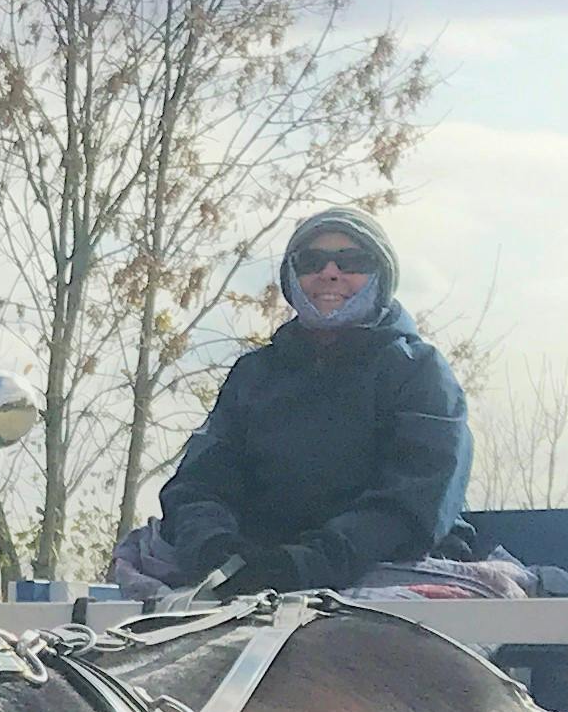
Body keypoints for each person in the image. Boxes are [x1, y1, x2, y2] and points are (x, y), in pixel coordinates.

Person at [114, 205, 475, 598]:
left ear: (381, 276)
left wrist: (307, 564)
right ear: (292, 277)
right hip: (251, 577)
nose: (329, 273)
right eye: (311, 261)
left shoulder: (421, 372)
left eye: (353, 260)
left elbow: (416, 501)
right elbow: (198, 485)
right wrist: (218, 551)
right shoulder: (254, 374)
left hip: (384, 571)